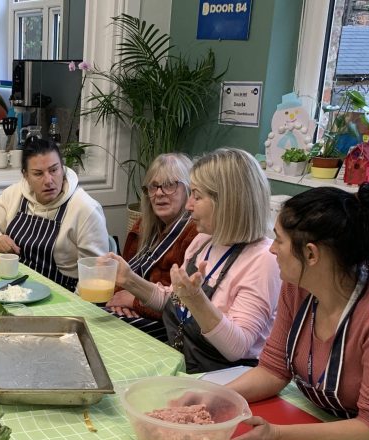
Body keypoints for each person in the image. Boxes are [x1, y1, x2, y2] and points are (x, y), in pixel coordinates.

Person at [216, 184, 369, 440]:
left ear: (312, 254)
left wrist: (277, 436)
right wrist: (213, 399)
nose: (272, 250)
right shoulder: (297, 287)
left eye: (279, 241)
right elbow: (273, 371)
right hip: (321, 422)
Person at [108, 147, 281, 373]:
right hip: (183, 362)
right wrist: (130, 279)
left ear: (228, 202)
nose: (189, 206)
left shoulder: (264, 260)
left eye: (197, 196)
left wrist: (197, 300)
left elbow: (236, 347)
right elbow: (174, 300)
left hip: (226, 377)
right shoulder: (203, 241)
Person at [0, 137, 109, 290]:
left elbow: (97, 274)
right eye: (38, 174)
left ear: (63, 169)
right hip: (17, 286)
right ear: (26, 176)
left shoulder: (85, 209)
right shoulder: (16, 194)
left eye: (54, 170)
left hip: (63, 292)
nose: (48, 180)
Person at [106, 153, 198, 340]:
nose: (159, 193)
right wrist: (119, 299)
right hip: (131, 310)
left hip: (167, 326)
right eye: (153, 186)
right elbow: (122, 272)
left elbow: (184, 307)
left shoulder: (194, 233)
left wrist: (134, 301)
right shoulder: (142, 225)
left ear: (188, 189)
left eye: (170, 185)